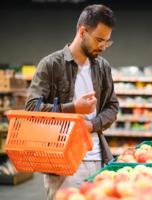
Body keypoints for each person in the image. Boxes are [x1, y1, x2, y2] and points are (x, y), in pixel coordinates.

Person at [25, 4, 119, 200]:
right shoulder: (51, 64)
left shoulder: (103, 67)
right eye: (99, 40)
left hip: (97, 158)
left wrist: (91, 125)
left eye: (107, 42)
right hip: (62, 163)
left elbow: (112, 106)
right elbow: (32, 108)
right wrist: (74, 108)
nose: (103, 47)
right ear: (83, 31)